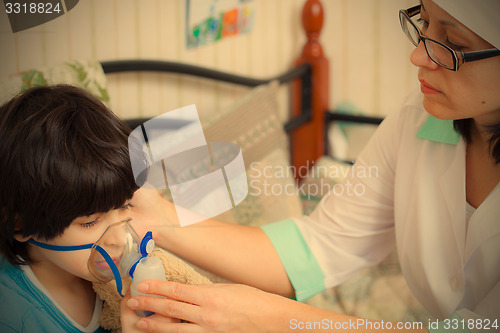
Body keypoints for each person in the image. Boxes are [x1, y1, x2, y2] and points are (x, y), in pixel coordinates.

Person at [122, 0, 500, 332]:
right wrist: (161, 217)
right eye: (425, 22)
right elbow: (317, 247)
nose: (418, 56)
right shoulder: (418, 119)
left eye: (454, 44)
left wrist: (272, 319)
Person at [0, 85, 153, 332]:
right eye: (90, 222)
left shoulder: (129, 276)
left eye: (125, 205)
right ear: (20, 223)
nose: (119, 239)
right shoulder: (13, 318)